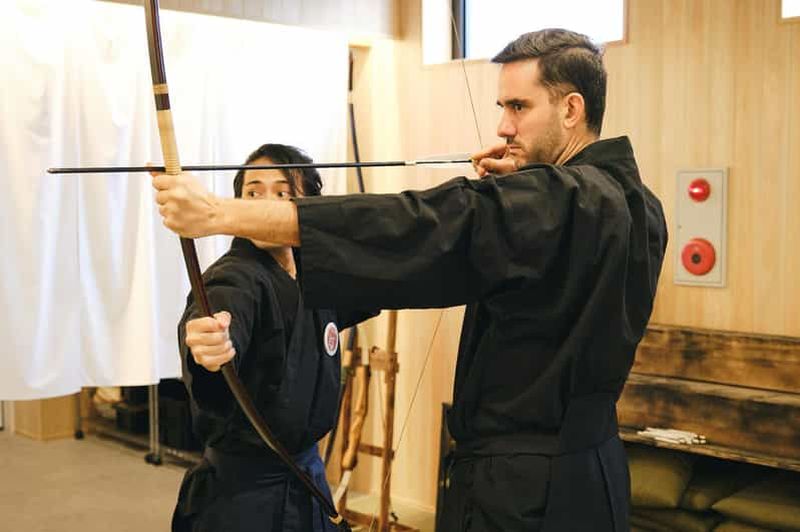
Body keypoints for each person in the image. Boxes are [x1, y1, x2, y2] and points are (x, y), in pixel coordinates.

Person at [155, 29, 668, 532]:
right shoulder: (639, 204)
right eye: (502, 108)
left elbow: (418, 226)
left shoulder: (548, 204)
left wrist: (217, 214)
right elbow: (555, 258)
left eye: (518, 107)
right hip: (595, 471)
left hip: (525, 493)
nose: (504, 127)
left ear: (571, 109)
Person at [169, 143, 375, 532]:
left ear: (307, 207)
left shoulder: (316, 276)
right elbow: (222, 310)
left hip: (306, 479)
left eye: (282, 193)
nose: (264, 204)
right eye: (253, 193)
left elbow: (377, 280)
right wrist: (210, 343)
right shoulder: (234, 277)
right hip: (243, 499)